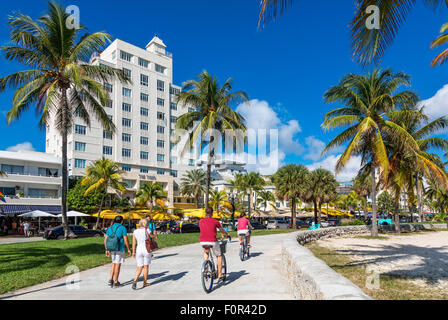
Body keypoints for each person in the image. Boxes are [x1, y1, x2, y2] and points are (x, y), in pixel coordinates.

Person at [199, 208, 231, 281]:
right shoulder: (215, 221)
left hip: (203, 241)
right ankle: (219, 274)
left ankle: (205, 268)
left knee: (206, 252)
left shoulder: (201, 221)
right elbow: (222, 230)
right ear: (212, 213)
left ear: (205, 213)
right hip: (212, 241)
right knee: (219, 255)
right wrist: (227, 234)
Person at [104, 216, 131, 288]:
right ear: (121, 221)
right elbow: (125, 239)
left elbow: (105, 239)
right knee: (117, 264)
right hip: (119, 248)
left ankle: (110, 279)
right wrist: (128, 249)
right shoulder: (122, 228)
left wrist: (106, 249)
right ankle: (116, 282)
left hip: (111, 248)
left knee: (113, 263)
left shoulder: (110, 228)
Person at [131, 219, 153, 290]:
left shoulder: (135, 231)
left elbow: (134, 242)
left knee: (139, 267)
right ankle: (145, 282)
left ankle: (135, 281)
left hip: (138, 250)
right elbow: (153, 237)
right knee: (146, 267)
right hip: (146, 249)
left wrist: (133, 251)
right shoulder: (147, 230)